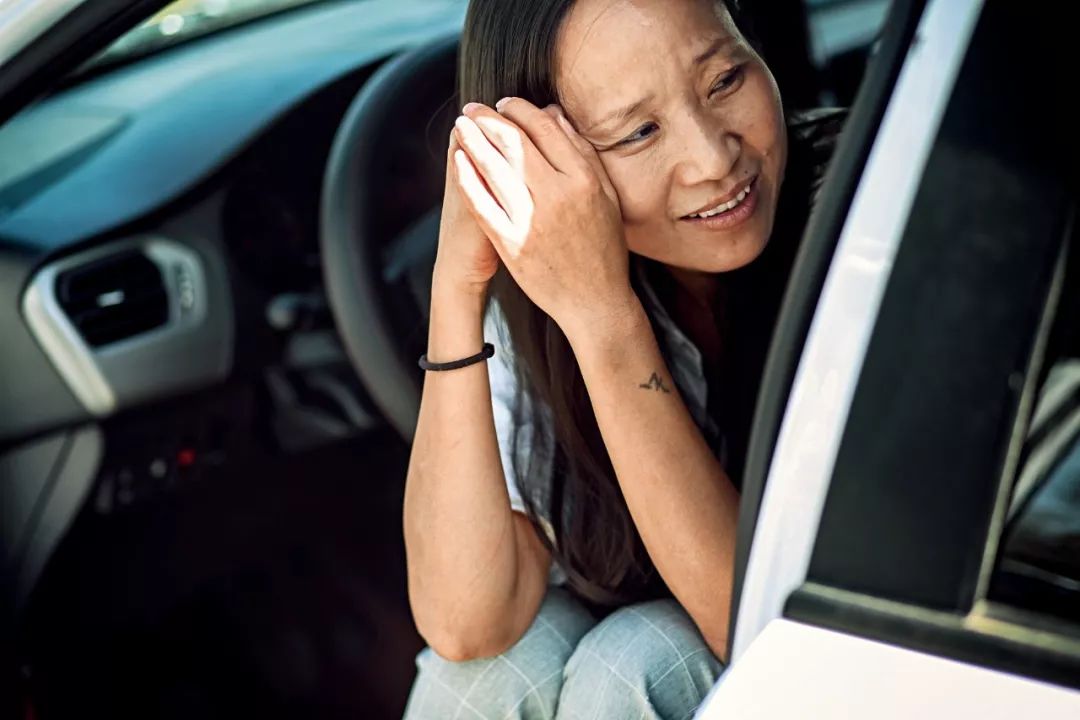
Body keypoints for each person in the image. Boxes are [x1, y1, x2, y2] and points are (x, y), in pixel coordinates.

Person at [402, 0, 844, 716]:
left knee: (639, 659)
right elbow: (467, 624)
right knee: (490, 676)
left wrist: (604, 319)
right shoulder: (547, 269)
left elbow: (768, 638)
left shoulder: (866, 210)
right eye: (639, 132)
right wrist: (457, 286)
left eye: (725, 79)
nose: (712, 157)